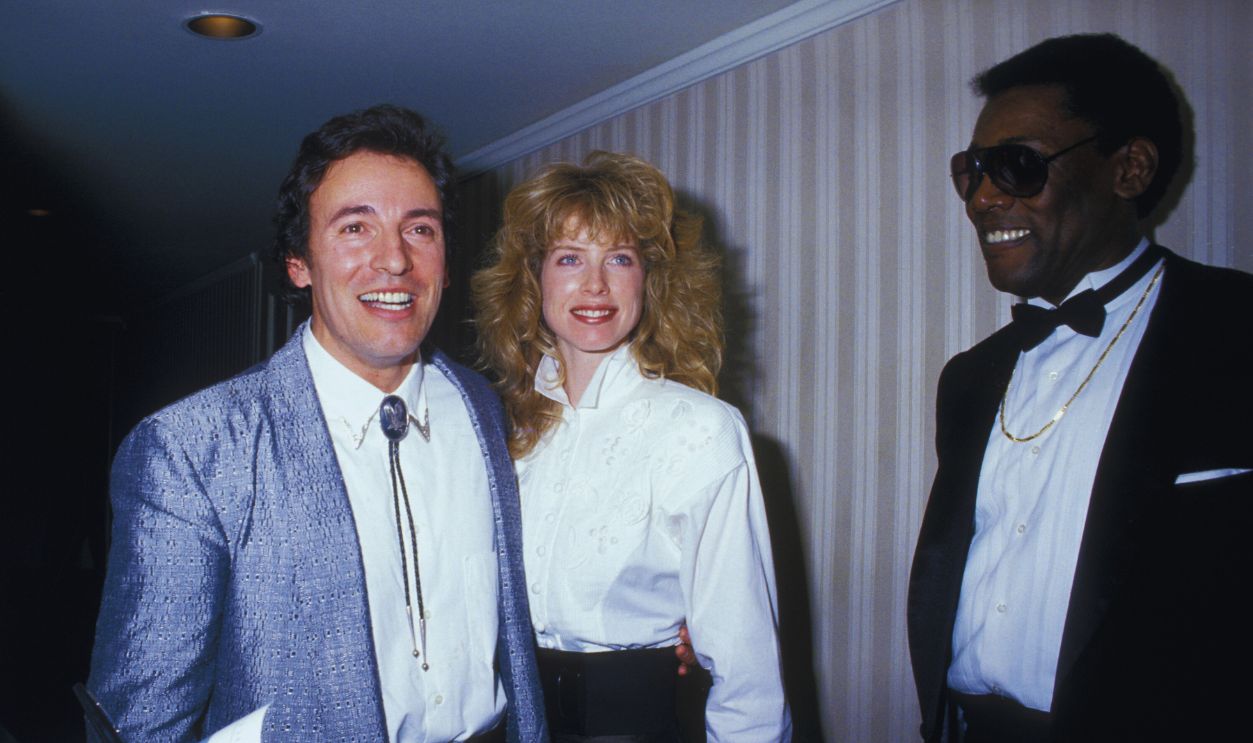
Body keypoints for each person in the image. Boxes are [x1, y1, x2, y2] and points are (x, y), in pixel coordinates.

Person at [87, 105, 547, 742]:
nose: (394, 260)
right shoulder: (191, 450)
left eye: (420, 229)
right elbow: (142, 725)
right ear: (299, 263)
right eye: (356, 227)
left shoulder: (483, 407)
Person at [907, 33, 1253, 742]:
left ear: (1128, 168)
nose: (981, 198)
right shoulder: (967, 380)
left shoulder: (1236, 329)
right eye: (971, 171)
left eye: (1017, 165)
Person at [472, 151, 790, 742]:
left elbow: (747, 666)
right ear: (534, 279)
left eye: (619, 258)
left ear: (651, 279)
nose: (595, 284)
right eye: (570, 258)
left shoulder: (701, 429)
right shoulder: (494, 425)